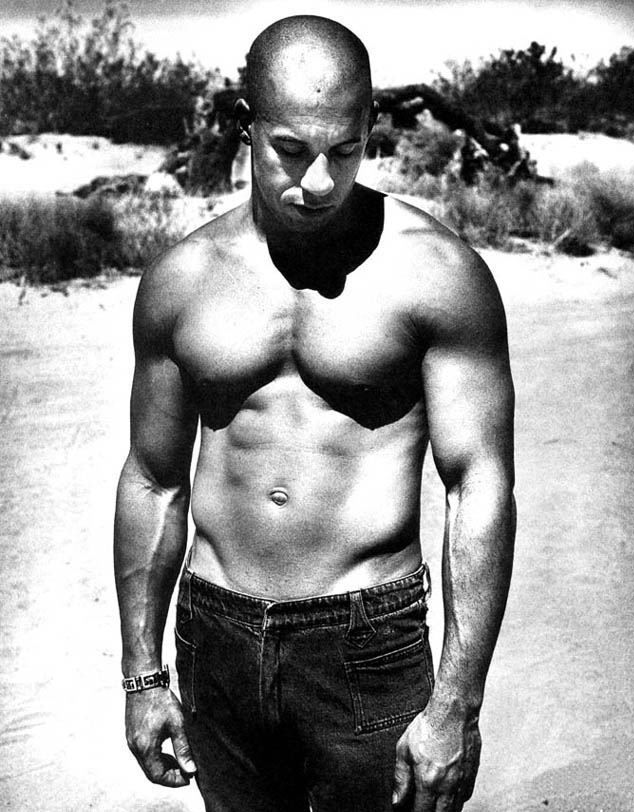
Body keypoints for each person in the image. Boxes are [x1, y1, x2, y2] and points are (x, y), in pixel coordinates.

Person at [114, 14, 516, 812]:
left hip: (366, 640)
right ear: (246, 125)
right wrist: (142, 676)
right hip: (214, 632)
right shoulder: (181, 278)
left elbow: (478, 484)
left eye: (346, 149)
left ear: (369, 128)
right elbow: (153, 480)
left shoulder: (436, 274)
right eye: (291, 150)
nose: (321, 181)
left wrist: (456, 703)